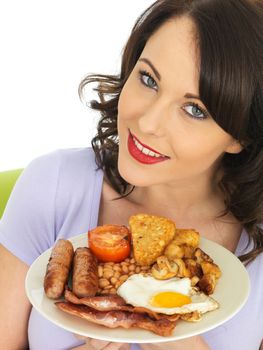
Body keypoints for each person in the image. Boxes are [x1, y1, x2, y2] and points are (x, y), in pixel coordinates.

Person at [0, 0, 262, 349]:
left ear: (240, 135)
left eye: (194, 109)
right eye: (148, 79)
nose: (147, 123)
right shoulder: (52, 185)